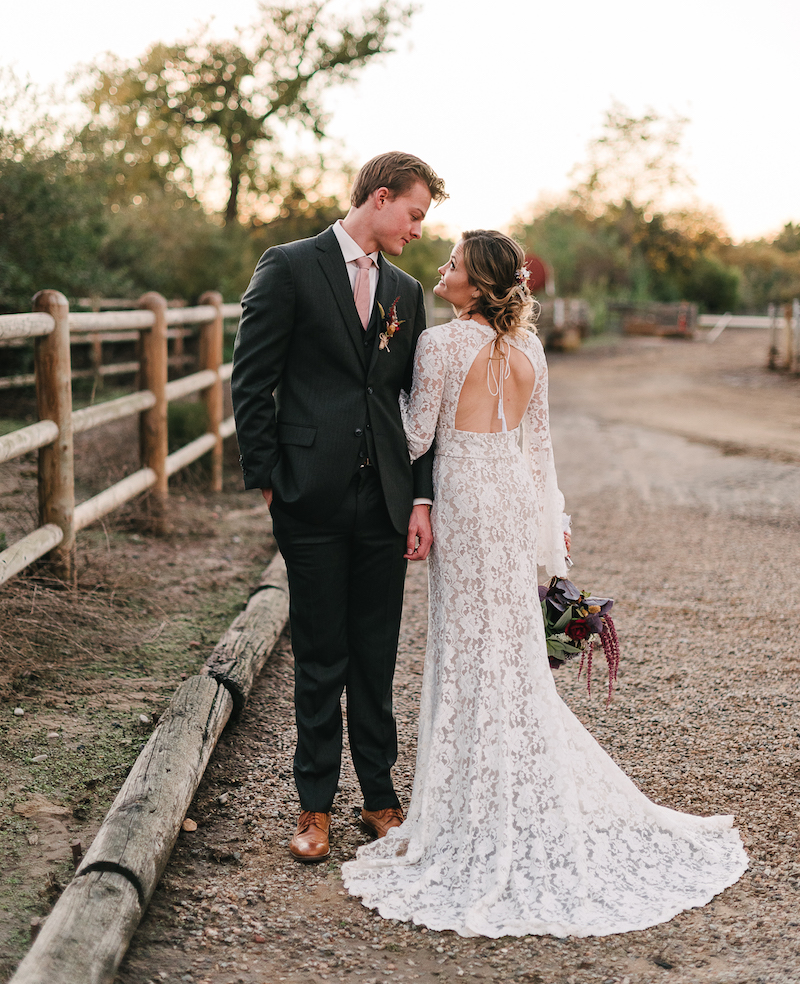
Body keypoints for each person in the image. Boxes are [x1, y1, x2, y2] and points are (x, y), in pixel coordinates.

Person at [341, 230, 748, 937]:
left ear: (477, 281)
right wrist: (550, 534)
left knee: (465, 642)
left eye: (455, 264)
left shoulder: (438, 345)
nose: (444, 270)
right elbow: (541, 446)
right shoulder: (531, 350)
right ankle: (512, 784)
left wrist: (374, 389)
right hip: (512, 493)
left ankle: (469, 800)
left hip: (466, 497)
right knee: (513, 644)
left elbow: (414, 438)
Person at [231, 151, 447, 863]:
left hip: (384, 499)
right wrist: (270, 480)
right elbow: (252, 378)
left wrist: (420, 495)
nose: (417, 230)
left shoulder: (408, 292)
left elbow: (416, 404)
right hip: (309, 499)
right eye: (413, 214)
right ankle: (314, 805)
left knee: (376, 654)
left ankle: (380, 798)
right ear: (379, 198)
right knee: (321, 653)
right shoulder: (289, 265)